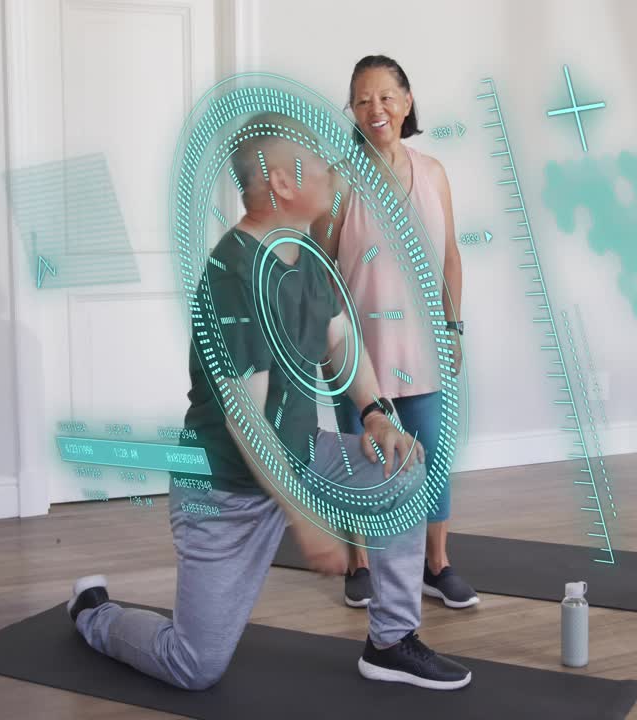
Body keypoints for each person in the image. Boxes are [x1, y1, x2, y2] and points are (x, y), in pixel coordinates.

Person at [65, 114, 472, 692]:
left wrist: (378, 413)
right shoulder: (234, 275)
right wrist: (306, 520)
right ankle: (93, 614)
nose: (333, 171)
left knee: (402, 469)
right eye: (318, 163)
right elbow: (247, 425)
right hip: (225, 489)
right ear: (281, 182)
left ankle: (391, 642)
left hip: (301, 457)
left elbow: (340, 342)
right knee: (194, 666)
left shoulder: (305, 255)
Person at [313, 55, 478, 610]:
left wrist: (454, 327)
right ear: (353, 111)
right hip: (360, 350)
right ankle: (359, 563)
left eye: (386, 96)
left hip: (426, 343)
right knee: (364, 460)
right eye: (362, 99)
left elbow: (450, 258)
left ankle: (437, 564)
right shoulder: (337, 178)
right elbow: (320, 263)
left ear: (407, 102)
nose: (374, 108)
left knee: (432, 454)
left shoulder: (432, 172)